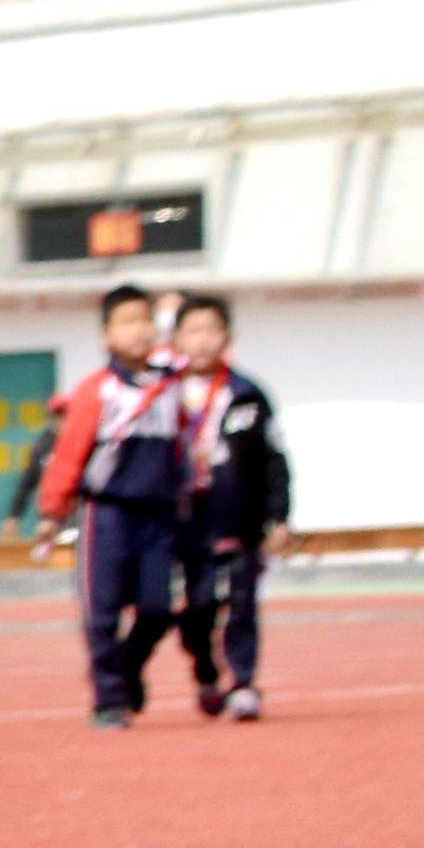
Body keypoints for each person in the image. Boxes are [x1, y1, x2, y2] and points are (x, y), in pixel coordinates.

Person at [31, 281, 211, 729]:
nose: (139, 331)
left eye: (145, 320)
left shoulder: (171, 385)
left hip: (158, 514)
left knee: (156, 609)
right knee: (103, 610)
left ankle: (129, 668)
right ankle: (109, 699)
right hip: (106, 513)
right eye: (127, 322)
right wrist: (53, 511)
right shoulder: (98, 391)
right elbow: (71, 452)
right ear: (105, 337)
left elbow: (198, 356)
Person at [160, 295, 282, 723]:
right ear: (175, 340)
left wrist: (279, 516)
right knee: (197, 607)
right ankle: (207, 671)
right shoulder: (161, 394)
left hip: (236, 512)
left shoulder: (247, 395)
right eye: (192, 331)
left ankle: (244, 683)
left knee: (242, 599)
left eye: (211, 330)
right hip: (182, 517)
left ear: (227, 337)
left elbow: (274, 459)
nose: (202, 341)